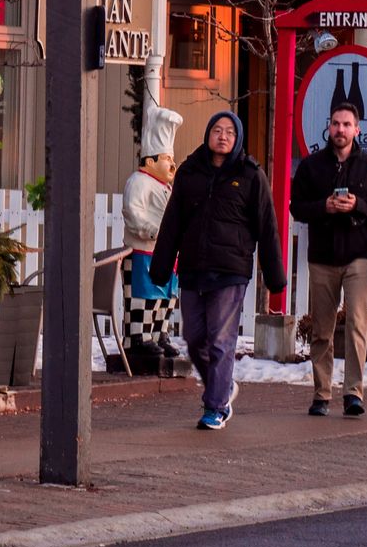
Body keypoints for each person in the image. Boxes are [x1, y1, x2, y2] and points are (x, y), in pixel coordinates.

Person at [150, 110, 287, 431]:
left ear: (237, 138)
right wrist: (160, 267)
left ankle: (216, 406)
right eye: (216, 130)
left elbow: (267, 227)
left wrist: (275, 275)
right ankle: (222, 386)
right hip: (193, 268)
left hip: (231, 270)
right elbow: (172, 223)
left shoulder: (251, 175)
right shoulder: (189, 172)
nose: (222, 136)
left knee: (220, 340)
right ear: (208, 135)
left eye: (229, 132)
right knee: (194, 337)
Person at [289, 100, 367, 416]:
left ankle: (353, 393)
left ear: (357, 130)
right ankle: (321, 394)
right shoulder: (311, 166)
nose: (340, 129)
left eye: (346, 124)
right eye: (336, 123)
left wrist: (358, 204)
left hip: (358, 254)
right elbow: (297, 207)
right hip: (322, 255)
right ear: (328, 126)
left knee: (357, 325)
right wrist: (325, 206)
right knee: (322, 327)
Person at [122, 100, 185, 362]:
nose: (172, 164)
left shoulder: (167, 188)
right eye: (166, 159)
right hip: (143, 251)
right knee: (143, 295)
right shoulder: (139, 182)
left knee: (166, 298)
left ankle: (160, 333)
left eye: (172, 158)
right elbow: (132, 212)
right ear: (150, 160)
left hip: (167, 253)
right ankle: (139, 336)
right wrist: (150, 230)